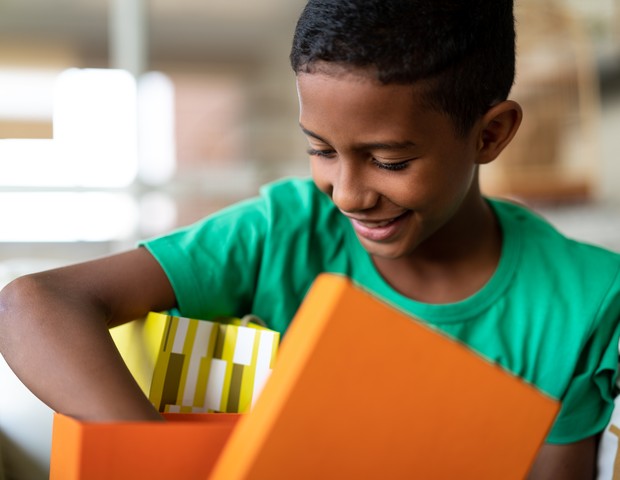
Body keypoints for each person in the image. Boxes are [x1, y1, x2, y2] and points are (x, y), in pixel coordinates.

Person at [1, 0, 619, 477]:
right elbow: (30, 305)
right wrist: (158, 456)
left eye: (390, 160)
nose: (346, 194)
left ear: (490, 135)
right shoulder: (284, 231)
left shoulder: (586, 302)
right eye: (321, 150)